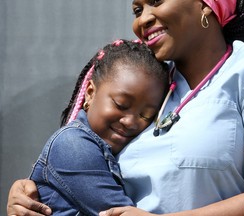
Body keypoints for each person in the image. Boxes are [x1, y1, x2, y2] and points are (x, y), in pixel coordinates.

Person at [7, 0, 244, 215]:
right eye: (137, 9)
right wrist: (35, 192)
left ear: (205, 5)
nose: (144, 18)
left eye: (156, 1)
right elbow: (87, 161)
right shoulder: (150, 85)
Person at [8, 39, 170, 215]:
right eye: (121, 105)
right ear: (90, 93)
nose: (130, 121)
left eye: (145, 115)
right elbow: (118, 212)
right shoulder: (72, 146)